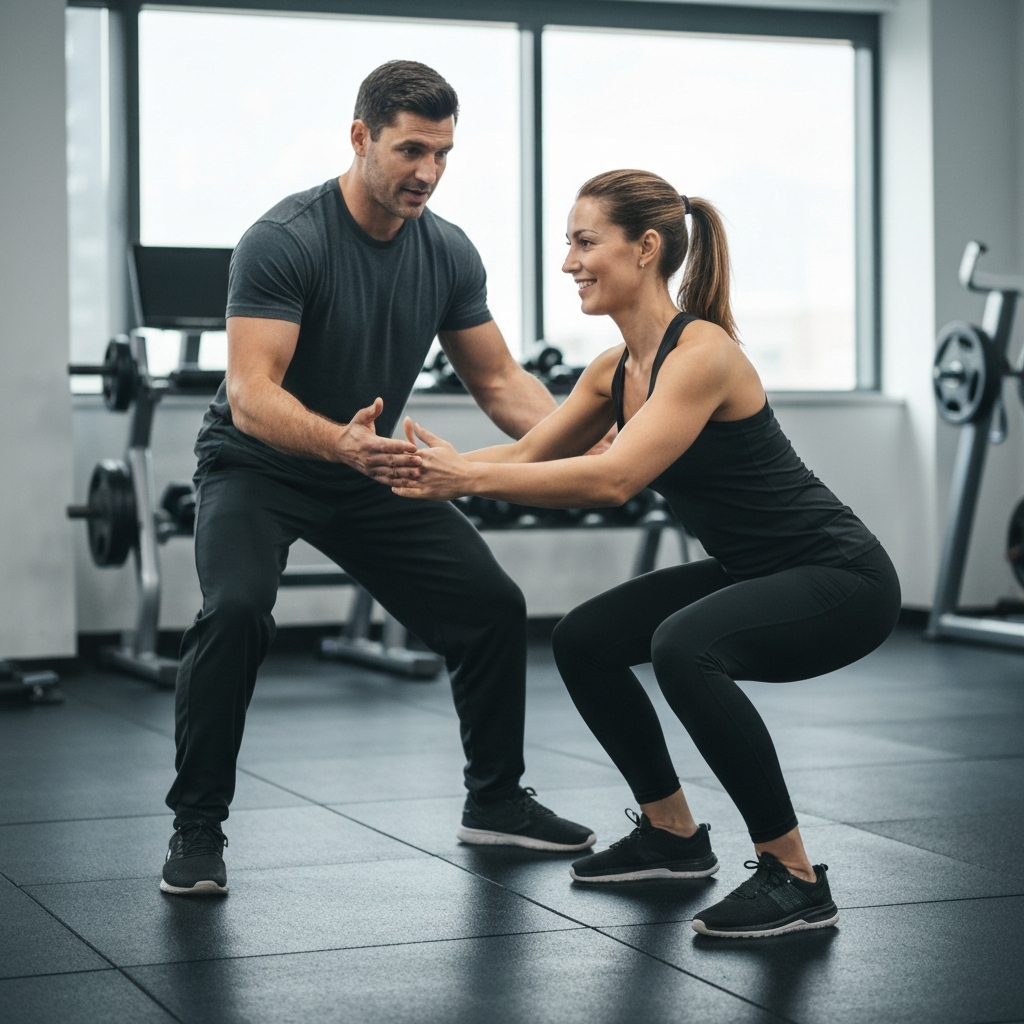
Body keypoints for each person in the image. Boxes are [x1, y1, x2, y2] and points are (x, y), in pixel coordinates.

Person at [389, 169, 902, 939]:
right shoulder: (611, 370)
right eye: (569, 243)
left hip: (842, 579)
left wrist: (463, 474)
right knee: (585, 639)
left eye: (586, 241)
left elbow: (616, 478)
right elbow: (530, 456)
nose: (569, 262)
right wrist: (424, 468)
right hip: (756, 570)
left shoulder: (702, 355)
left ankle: (795, 876)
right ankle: (671, 838)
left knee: (682, 647)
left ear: (647, 248)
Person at [160, 61, 597, 897]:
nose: (427, 173)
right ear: (360, 138)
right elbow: (252, 395)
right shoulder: (285, 239)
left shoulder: (447, 251)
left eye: (442, 153)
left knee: (492, 608)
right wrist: (343, 445)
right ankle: (197, 826)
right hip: (259, 465)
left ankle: (497, 800)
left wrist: (602, 451)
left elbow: (502, 384)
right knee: (239, 610)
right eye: (409, 150)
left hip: (368, 467)